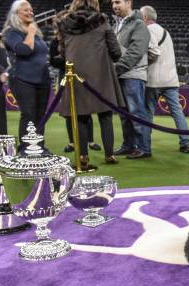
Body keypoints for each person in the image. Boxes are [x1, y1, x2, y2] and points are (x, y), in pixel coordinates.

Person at [57, 0, 125, 169]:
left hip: (76, 74)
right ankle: (109, 154)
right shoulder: (101, 21)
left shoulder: (65, 23)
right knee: (105, 115)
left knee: (80, 116)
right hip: (101, 74)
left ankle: (83, 156)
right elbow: (115, 51)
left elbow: (63, 52)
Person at [140, 5, 189, 154]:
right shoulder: (165, 31)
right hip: (171, 80)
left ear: (145, 18)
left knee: (147, 114)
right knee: (177, 113)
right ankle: (186, 143)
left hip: (154, 80)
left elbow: (154, 53)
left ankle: (145, 148)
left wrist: (142, 61)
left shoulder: (148, 30)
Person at [2, 0, 50, 143]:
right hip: (22, 80)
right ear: (16, 13)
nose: (30, 13)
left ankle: (40, 148)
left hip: (42, 80)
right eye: (26, 10)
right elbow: (24, 50)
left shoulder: (36, 34)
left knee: (41, 116)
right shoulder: (11, 32)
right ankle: (25, 150)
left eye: (31, 10)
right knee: (28, 115)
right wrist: (30, 32)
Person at [111, 0, 151, 159]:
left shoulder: (138, 24)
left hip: (133, 75)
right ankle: (128, 145)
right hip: (122, 74)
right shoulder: (117, 24)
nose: (114, 5)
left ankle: (143, 148)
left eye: (118, 1)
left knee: (136, 113)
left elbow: (135, 52)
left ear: (129, 2)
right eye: (112, 2)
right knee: (124, 114)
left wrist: (115, 69)